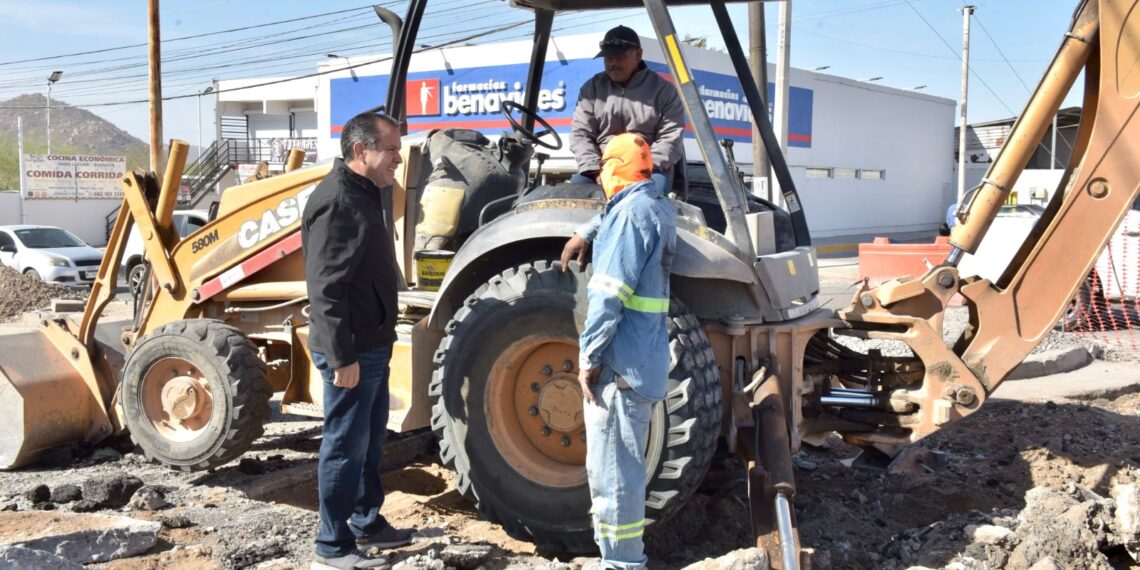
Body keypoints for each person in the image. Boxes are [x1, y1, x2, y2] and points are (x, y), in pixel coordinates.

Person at [303, 111, 414, 570]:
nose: (399, 158)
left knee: (368, 442)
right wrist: (341, 357)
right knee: (345, 445)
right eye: (391, 149)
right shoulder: (339, 202)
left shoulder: (365, 193)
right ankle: (332, 547)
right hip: (350, 350)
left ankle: (367, 522)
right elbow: (326, 290)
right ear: (360, 151)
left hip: (371, 343)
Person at [575, 133, 676, 570]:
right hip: (643, 361)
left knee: (613, 476)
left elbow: (607, 296)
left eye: (603, 168)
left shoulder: (630, 217)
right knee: (623, 472)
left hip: (619, 366)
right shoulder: (655, 205)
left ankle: (622, 564)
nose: (599, 176)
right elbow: (618, 215)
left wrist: (588, 357)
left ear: (613, 169)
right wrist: (587, 230)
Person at [570, 25, 685, 196]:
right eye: (608, 58)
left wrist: (641, 168)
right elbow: (580, 133)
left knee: (647, 200)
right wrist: (595, 170)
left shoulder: (664, 91)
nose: (613, 63)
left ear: (638, 55)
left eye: (620, 57)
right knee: (572, 197)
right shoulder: (592, 89)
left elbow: (671, 138)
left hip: (649, 169)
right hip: (602, 168)